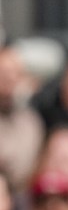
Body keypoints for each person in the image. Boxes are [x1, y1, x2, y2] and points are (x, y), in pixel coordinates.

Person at [0, 45, 44, 187]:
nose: (9, 79)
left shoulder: (31, 122)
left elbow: (24, 169)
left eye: (15, 74)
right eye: (3, 73)